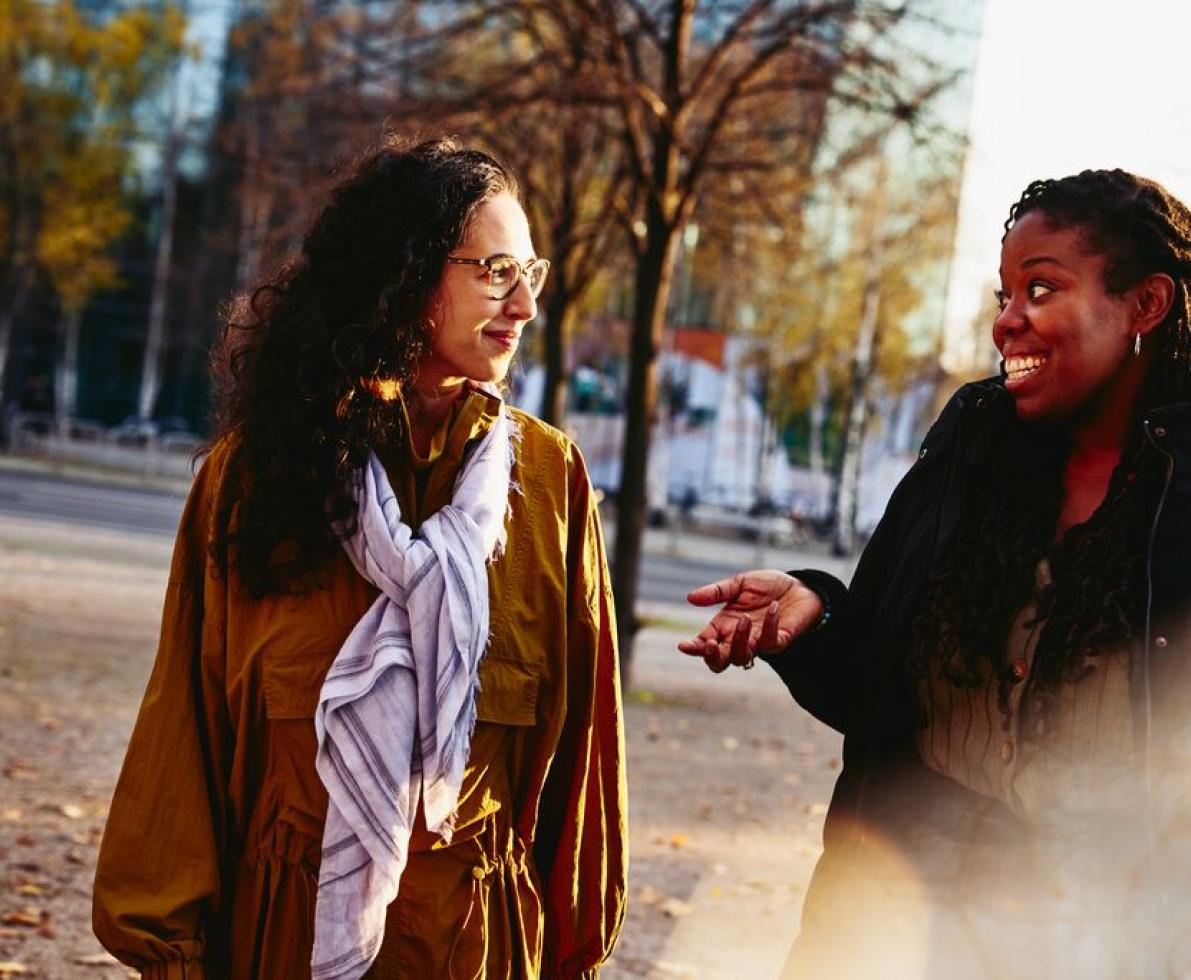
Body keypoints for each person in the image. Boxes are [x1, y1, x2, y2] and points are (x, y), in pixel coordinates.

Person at [92, 137, 627, 979]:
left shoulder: (550, 482)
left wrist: (571, 955)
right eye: (494, 271)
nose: (524, 305)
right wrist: (173, 956)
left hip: (473, 947)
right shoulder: (256, 478)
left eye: (532, 272)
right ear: (403, 275)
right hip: (282, 944)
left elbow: (585, 755)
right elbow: (183, 736)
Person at [680, 169, 1191, 977]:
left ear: (1145, 305)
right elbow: (877, 693)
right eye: (1003, 294)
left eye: (1040, 288)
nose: (1006, 322)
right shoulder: (969, 452)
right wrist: (812, 614)